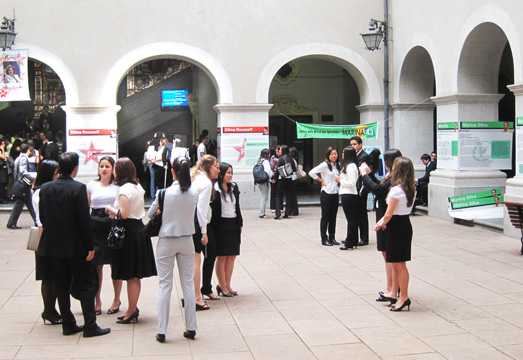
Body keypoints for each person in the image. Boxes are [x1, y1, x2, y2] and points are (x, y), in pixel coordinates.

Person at [37, 152, 110, 337]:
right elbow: (83, 221)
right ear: (75, 168)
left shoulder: (45, 188)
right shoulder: (78, 189)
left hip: (54, 245)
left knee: (61, 284)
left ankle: (68, 324)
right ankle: (90, 325)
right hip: (75, 246)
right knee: (86, 283)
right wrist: (90, 246)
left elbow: (43, 218)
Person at [149, 157, 198, 343]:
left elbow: (149, 213)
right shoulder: (194, 193)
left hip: (166, 240)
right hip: (187, 239)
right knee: (188, 284)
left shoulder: (164, 193)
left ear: (172, 172)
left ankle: (162, 330)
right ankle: (191, 327)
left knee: (165, 285)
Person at [105, 157, 157, 324]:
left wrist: (109, 209)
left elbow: (124, 214)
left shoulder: (124, 190)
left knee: (131, 275)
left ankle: (131, 309)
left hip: (129, 233)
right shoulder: (137, 186)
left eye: (114, 168)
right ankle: (132, 308)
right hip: (138, 230)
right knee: (134, 275)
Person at [374, 156, 416, 312]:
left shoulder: (396, 190)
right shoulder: (409, 187)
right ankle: (394, 293)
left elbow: (388, 214)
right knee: (396, 263)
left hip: (396, 226)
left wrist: (381, 223)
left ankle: (403, 297)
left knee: (399, 264)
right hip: (403, 224)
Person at [361, 149, 402, 300]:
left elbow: (378, 189)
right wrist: (369, 173)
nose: (384, 163)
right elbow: (379, 185)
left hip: (387, 218)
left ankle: (392, 287)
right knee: (385, 253)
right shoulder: (389, 176)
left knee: (390, 255)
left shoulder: (395, 179)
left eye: (387, 160)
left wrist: (365, 175)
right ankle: (390, 286)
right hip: (382, 216)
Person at [86, 157, 122, 316]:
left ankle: (117, 299)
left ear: (113, 169)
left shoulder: (118, 187)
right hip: (95, 224)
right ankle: (97, 299)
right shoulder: (91, 185)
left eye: (107, 166)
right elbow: (87, 205)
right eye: (101, 166)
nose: (104, 169)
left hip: (111, 224)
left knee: (115, 263)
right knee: (96, 265)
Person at [32, 159, 62, 325]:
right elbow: (40, 221)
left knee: (55, 276)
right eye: (56, 173)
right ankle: (48, 310)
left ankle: (52, 309)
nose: (58, 176)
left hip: (52, 238)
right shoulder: (39, 193)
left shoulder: (49, 190)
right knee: (48, 277)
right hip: (45, 239)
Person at [191, 155, 220, 308]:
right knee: (199, 258)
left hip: (193, 222)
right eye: (216, 167)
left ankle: (201, 290)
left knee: (205, 256)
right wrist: (203, 232)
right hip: (199, 224)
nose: (218, 170)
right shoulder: (205, 183)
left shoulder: (194, 176)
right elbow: (201, 209)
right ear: (208, 167)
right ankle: (197, 295)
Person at [211, 162, 243, 297]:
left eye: (231, 172)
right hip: (221, 225)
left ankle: (228, 284)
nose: (230, 175)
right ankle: (222, 285)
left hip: (233, 224)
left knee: (232, 256)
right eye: (228, 172)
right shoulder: (215, 188)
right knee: (222, 257)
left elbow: (238, 207)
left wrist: (240, 223)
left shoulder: (234, 187)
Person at [309, 146, 340, 245]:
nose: (334, 156)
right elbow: (311, 172)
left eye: (335, 154)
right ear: (328, 155)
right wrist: (321, 180)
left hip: (335, 192)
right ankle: (324, 238)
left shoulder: (337, 165)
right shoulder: (324, 165)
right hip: (326, 192)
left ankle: (332, 237)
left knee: (333, 216)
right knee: (325, 217)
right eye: (332, 154)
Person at [7, 143, 37, 229]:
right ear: (28, 150)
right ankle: (11, 223)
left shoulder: (18, 158)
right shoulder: (24, 159)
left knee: (29, 204)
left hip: (20, 184)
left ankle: (37, 221)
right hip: (23, 184)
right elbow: (23, 172)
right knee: (19, 204)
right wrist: (33, 177)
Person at [350, 136, 370, 246]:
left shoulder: (364, 156)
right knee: (355, 213)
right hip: (354, 188)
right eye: (351, 144)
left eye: (355, 144)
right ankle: (354, 237)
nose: (353, 146)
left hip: (361, 188)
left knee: (361, 213)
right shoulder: (354, 156)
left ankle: (364, 237)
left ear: (360, 144)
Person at [338, 146, 359, 250]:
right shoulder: (349, 166)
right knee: (352, 218)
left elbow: (352, 182)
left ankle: (350, 242)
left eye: (343, 153)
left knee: (351, 219)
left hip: (349, 194)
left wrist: (340, 180)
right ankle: (353, 240)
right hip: (348, 193)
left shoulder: (351, 167)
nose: (342, 155)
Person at [274, 145, 296, 220]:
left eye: (280, 150)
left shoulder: (281, 158)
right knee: (288, 195)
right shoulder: (291, 159)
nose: (279, 151)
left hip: (281, 178)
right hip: (289, 179)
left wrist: (274, 178)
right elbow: (294, 169)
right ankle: (287, 212)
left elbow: (277, 169)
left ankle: (278, 212)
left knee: (278, 195)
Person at [257, 149, 273, 219]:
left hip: (260, 181)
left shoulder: (260, 161)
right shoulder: (265, 162)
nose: (270, 155)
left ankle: (262, 212)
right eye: (269, 154)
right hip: (264, 182)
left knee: (263, 197)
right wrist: (272, 175)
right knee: (264, 198)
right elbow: (268, 171)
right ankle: (262, 213)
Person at [269, 145, 281, 213]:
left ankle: (280, 207)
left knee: (279, 192)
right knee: (273, 192)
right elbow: (271, 167)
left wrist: (279, 160)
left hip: (280, 176)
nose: (277, 153)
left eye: (278, 151)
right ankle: (273, 207)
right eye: (276, 151)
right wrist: (273, 162)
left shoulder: (282, 158)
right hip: (274, 175)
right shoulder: (273, 157)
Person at [289, 146, 299, 216]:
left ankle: (294, 210)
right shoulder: (295, 160)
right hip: (293, 178)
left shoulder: (292, 160)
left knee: (292, 195)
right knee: (292, 195)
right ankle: (294, 209)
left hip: (292, 178)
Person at [0, 139, 8, 204]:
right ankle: (1, 198)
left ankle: (2, 197)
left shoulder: (5, 151)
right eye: (2, 144)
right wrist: (2, 149)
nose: (3, 145)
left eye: (4, 144)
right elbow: (3, 157)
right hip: (1, 169)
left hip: (4, 169)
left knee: (3, 184)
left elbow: (6, 158)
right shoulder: (1, 150)